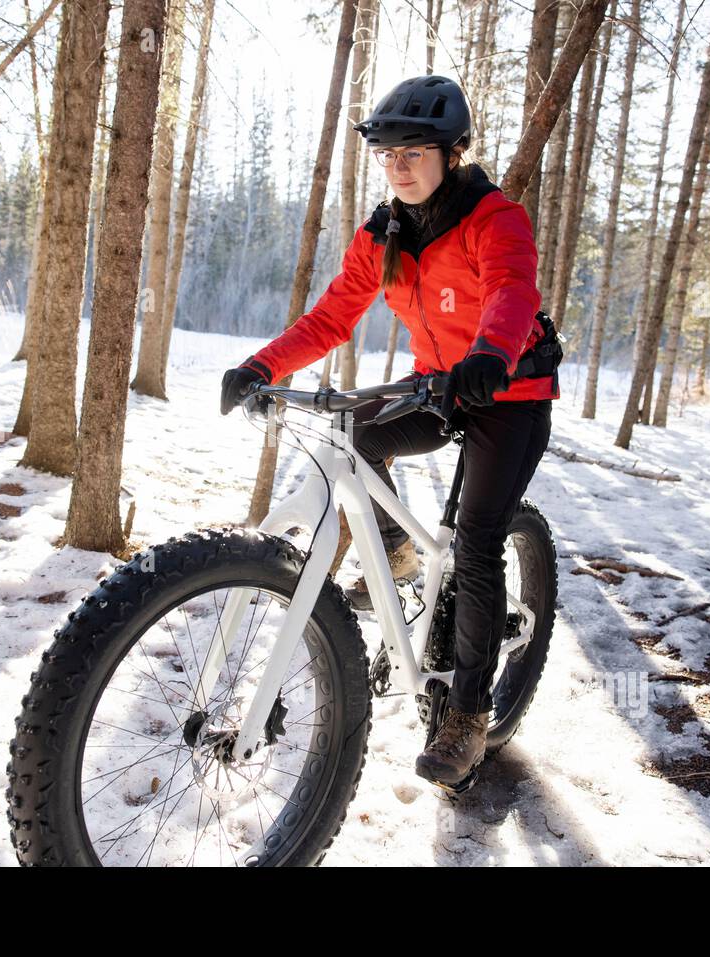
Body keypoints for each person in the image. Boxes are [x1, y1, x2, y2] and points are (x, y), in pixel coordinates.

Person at [219, 75, 556, 788]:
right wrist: (260, 364)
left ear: (453, 151)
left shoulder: (495, 218)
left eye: (414, 151)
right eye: (387, 153)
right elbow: (334, 316)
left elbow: (511, 292)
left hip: (507, 389)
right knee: (360, 436)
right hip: (435, 384)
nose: (398, 166)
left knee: (476, 539)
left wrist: (492, 355)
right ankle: (399, 555)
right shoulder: (387, 231)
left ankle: (467, 713)